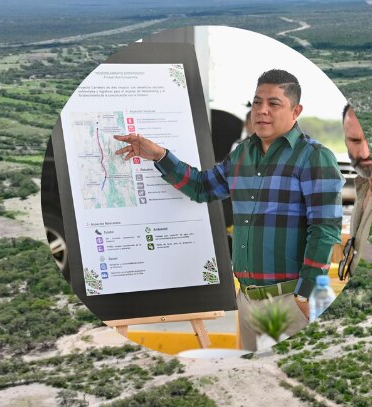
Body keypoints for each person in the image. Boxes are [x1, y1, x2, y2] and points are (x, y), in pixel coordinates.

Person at [114, 69, 345, 350]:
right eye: (257, 102)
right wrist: (160, 156)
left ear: (296, 111)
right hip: (247, 301)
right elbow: (202, 187)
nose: (261, 110)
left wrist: (305, 295)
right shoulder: (242, 154)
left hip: (289, 302)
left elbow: (324, 230)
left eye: (273, 104)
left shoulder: (314, 157)